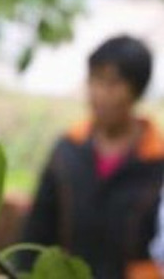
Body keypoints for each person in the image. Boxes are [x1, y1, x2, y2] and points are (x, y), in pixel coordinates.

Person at [17, 35, 164, 279]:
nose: (99, 94)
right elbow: (38, 228)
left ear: (136, 91)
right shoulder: (67, 150)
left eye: (112, 83)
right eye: (94, 80)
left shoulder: (156, 160)